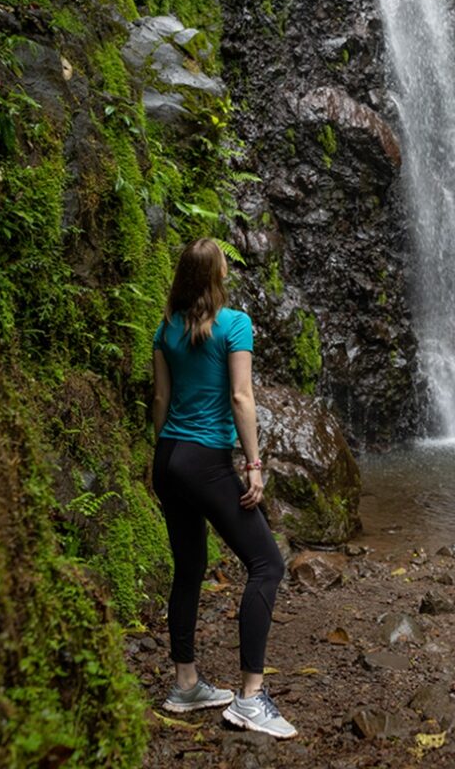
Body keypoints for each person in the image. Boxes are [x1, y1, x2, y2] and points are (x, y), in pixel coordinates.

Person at [151, 237, 297, 739]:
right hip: (206, 461)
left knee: (189, 567)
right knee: (267, 564)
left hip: (168, 457)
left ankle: (185, 684)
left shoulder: (166, 328)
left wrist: (165, 463)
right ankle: (251, 699)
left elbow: (161, 399)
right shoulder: (234, 324)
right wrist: (254, 465)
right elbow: (240, 395)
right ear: (216, 276)